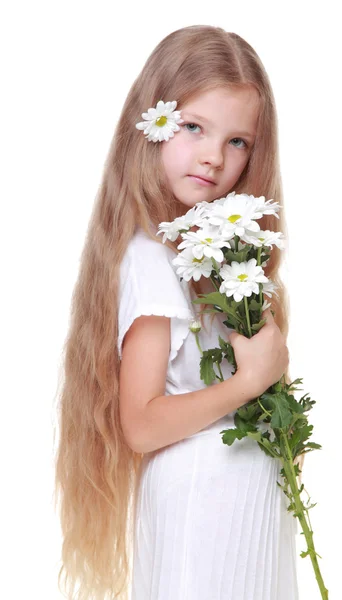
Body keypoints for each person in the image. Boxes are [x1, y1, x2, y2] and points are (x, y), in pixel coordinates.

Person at [54, 24, 303, 600]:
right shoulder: (150, 258)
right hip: (203, 509)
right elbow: (140, 424)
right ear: (152, 126)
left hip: (236, 511)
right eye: (193, 127)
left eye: (239, 141)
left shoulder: (206, 254)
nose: (215, 157)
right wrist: (251, 382)